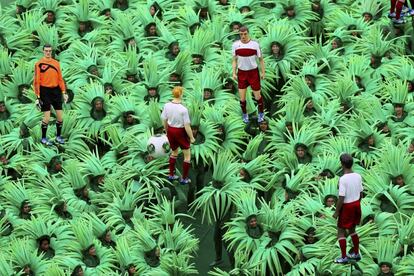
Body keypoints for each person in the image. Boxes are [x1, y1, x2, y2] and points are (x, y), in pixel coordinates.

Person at [34, 44, 68, 146]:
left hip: (56, 91)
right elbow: (36, 81)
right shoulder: (39, 64)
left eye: (49, 51)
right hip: (45, 92)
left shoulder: (56, 63)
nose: (48, 52)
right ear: (43, 51)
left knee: (60, 117)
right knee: (47, 118)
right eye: (46, 51)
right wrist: (37, 97)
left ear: (51, 52)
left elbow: (60, 79)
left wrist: (63, 92)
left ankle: (58, 136)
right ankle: (43, 138)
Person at [161, 87, 195, 184]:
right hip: (180, 132)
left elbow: (164, 119)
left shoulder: (167, 106)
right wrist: (192, 137)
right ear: (181, 94)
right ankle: (184, 178)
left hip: (171, 130)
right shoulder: (183, 109)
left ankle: (171, 174)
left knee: (174, 152)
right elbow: (187, 126)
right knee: (187, 156)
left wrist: (167, 130)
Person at [232, 26, 266, 123]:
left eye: (245, 34)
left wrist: (263, 72)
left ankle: (261, 114)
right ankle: (244, 114)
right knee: (242, 98)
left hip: (253, 73)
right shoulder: (235, 45)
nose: (243, 36)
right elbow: (234, 60)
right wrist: (234, 72)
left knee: (257, 96)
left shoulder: (255, 44)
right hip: (242, 73)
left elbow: (261, 59)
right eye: (241, 34)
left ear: (248, 33)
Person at [333, 153, 363, 263]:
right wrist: (357, 204)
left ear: (342, 164)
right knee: (352, 230)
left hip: (347, 206)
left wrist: (337, 212)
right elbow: (361, 194)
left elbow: (341, 197)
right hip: (356, 204)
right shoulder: (358, 176)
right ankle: (356, 253)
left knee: (340, 231)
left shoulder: (343, 179)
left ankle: (344, 257)